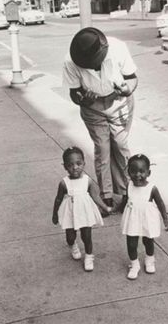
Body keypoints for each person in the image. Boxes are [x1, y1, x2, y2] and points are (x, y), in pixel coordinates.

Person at [63, 27, 138, 214]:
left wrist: (127, 89)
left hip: (119, 102)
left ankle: (127, 191)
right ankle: (107, 195)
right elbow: (74, 93)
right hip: (93, 109)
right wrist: (83, 99)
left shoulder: (118, 48)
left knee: (120, 147)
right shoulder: (70, 61)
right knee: (103, 150)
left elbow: (132, 78)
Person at [52, 146, 111, 271]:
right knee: (70, 236)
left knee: (87, 236)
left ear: (84, 163)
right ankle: (73, 245)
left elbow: (95, 196)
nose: (75, 168)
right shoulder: (64, 183)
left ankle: (89, 256)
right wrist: (55, 214)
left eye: (78, 164)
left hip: (84, 212)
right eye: (70, 165)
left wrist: (105, 207)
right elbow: (58, 199)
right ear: (65, 166)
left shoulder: (87, 181)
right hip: (70, 212)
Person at [121, 154, 168, 280]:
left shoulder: (151, 188)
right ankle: (134, 264)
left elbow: (160, 203)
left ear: (148, 172)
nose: (138, 175)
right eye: (134, 171)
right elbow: (125, 200)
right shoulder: (129, 186)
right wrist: (113, 209)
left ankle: (150, 259)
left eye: (142, 171)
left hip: (147, 218)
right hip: (132, 218)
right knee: (131, 243)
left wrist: (165, 219)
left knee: (148, 241)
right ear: (129, 172)